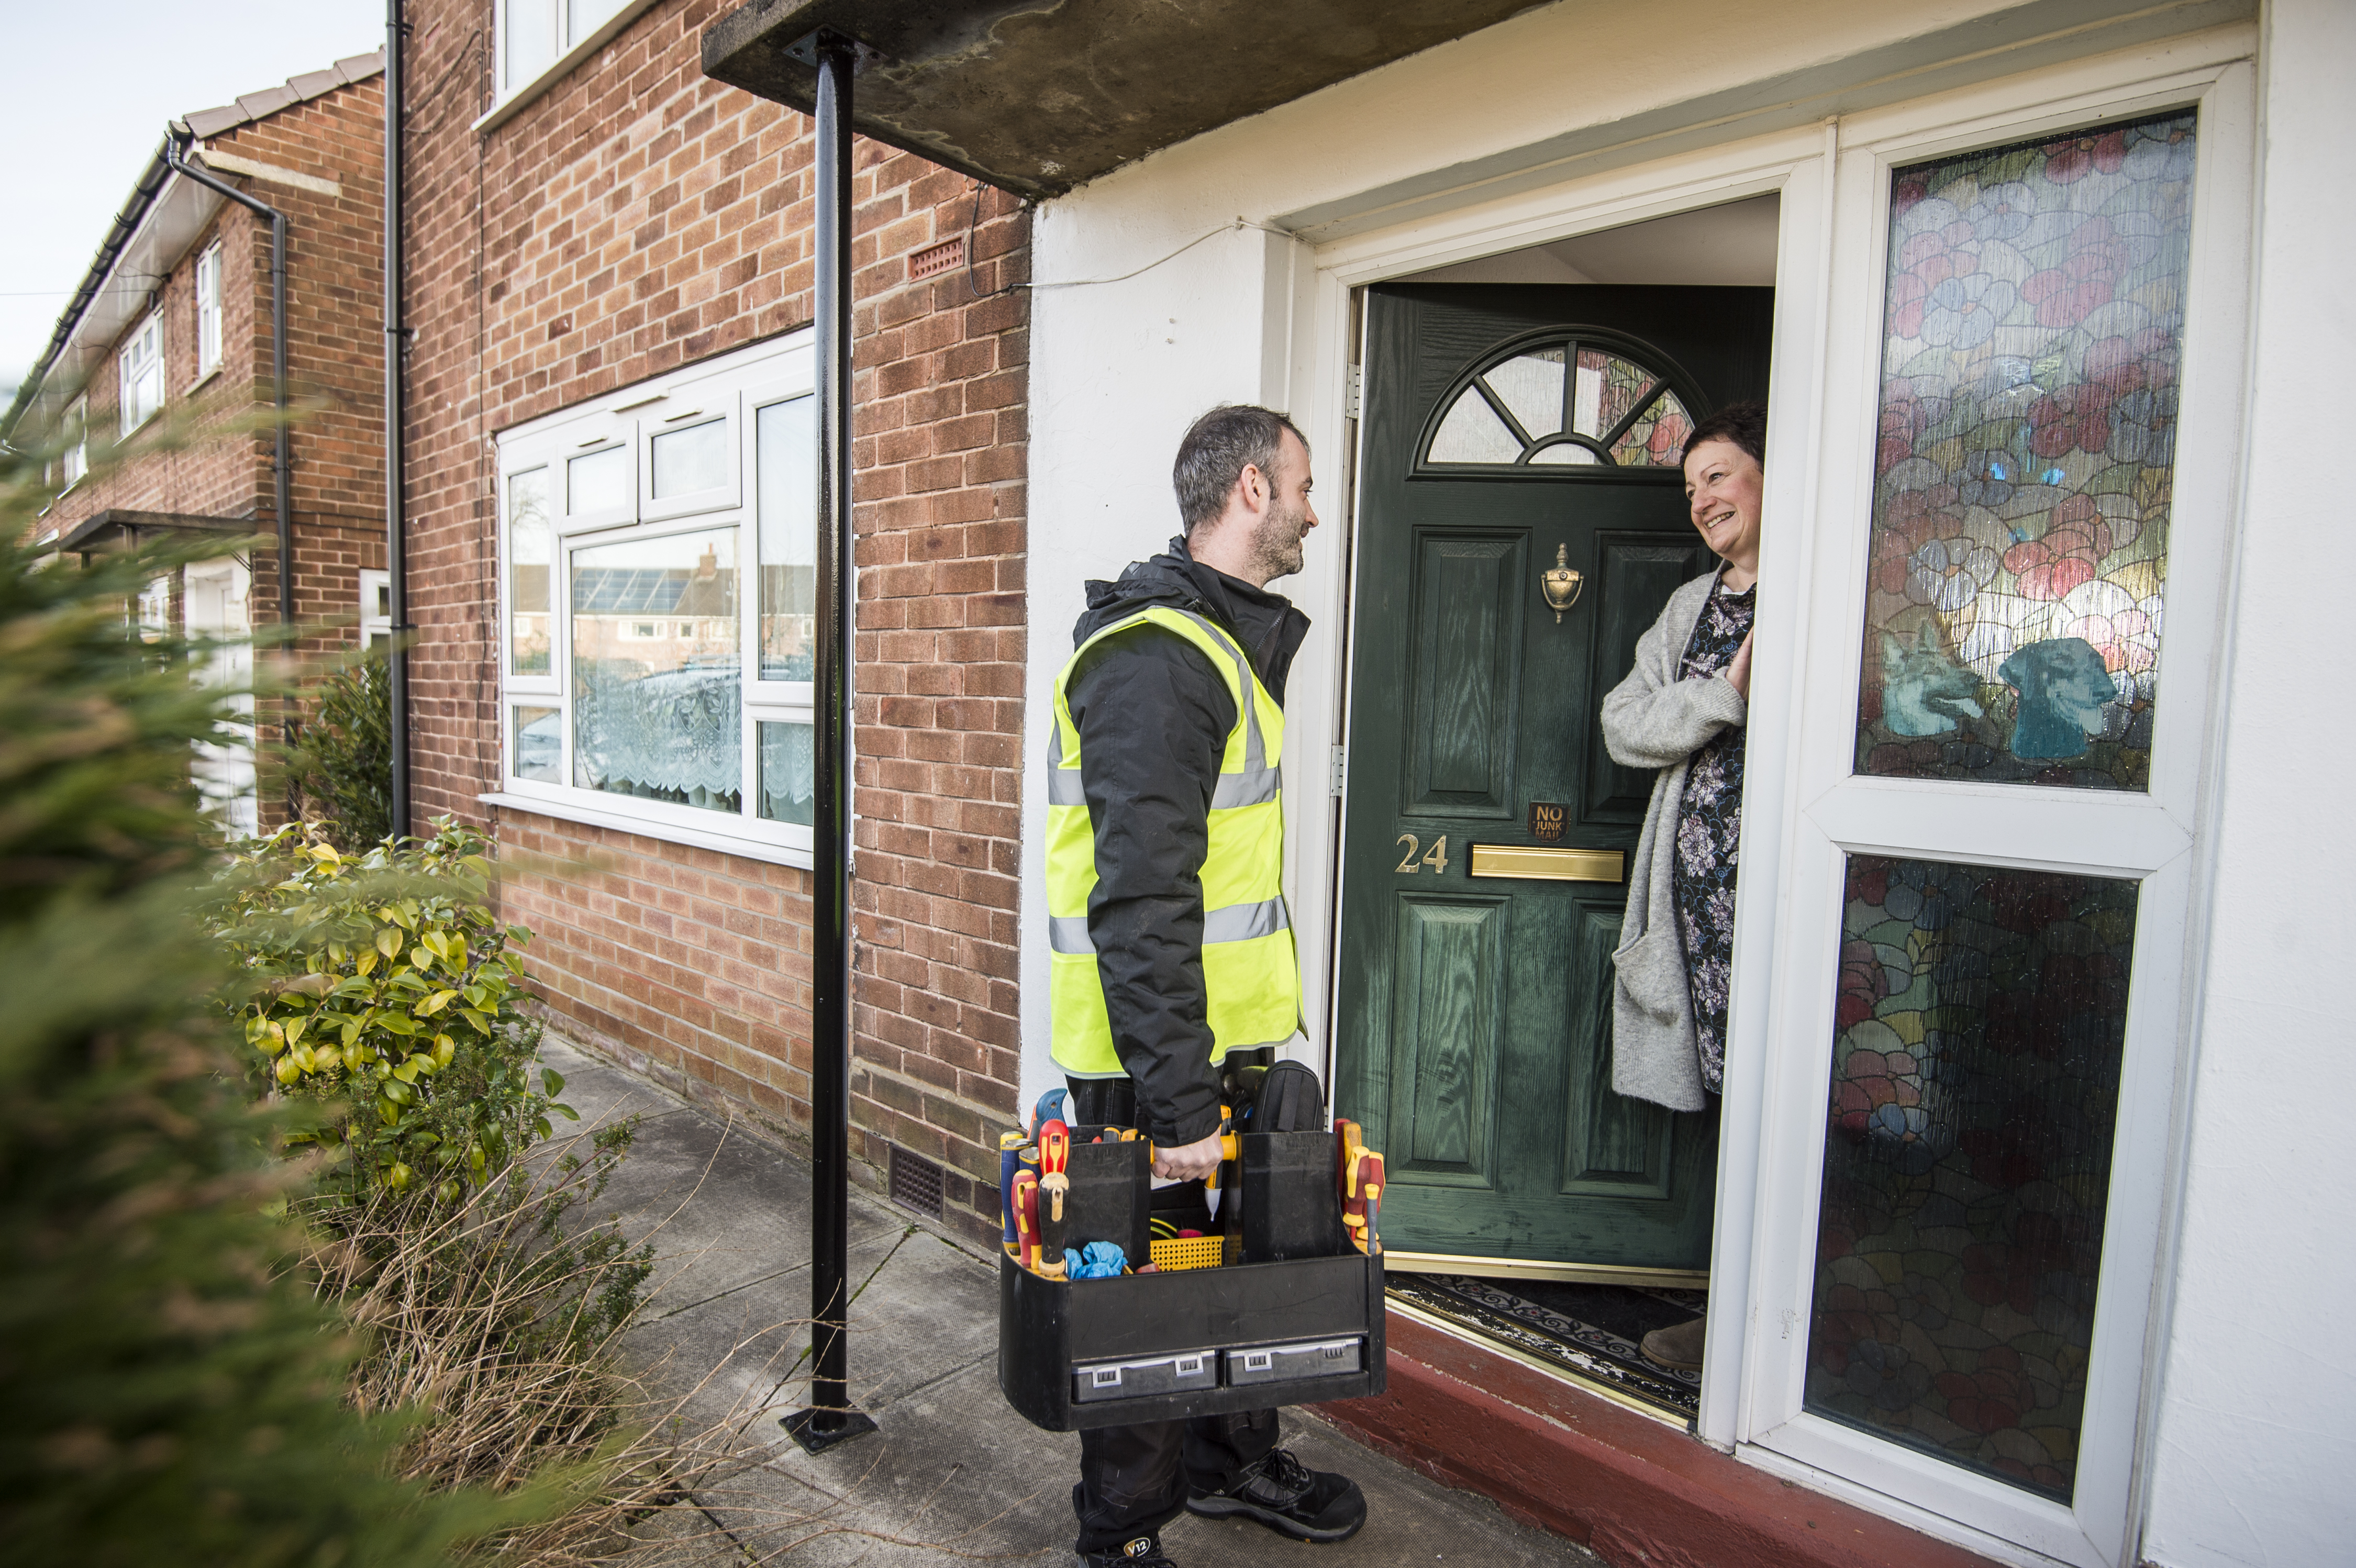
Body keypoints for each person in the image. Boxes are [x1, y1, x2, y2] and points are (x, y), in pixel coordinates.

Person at [1043, 405, 1368, 1567]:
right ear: (1248, 492)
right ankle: (1121, 1536)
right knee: (1146, 1306)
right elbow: (1140, 903)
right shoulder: (1154, 661)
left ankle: (1232, 1465)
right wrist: (1178, 1104)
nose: (1314, 510)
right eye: (1304, 485)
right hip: (1151, 1074)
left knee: (1243, 1278)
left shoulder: (1211, 644)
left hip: (1225, 1047)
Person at [1599, 401, 1766, 1374]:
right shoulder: (1694, 609)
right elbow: (1626, 724)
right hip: (1699, 911)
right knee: (1731, 1100)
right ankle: (1730, 1313)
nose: (1702, 499)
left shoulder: (1828, 592)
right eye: (1691, 484)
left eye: (1719, 475)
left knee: (1787, 1101)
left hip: (1787, 906)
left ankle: (1778, 1323)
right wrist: (1723, 694)